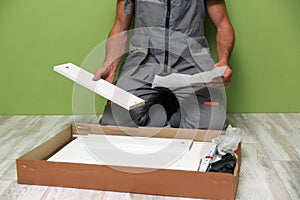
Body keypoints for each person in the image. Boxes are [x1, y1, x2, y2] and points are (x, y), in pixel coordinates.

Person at [93, 0, 235, 130]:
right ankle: (159, 108)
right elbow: (120, 27)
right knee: (115, 123)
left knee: (210, 126)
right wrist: (110, 66)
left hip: (190, 62)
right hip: (144, 62)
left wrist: (223, 61)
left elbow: (223, 25)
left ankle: (178, 111)